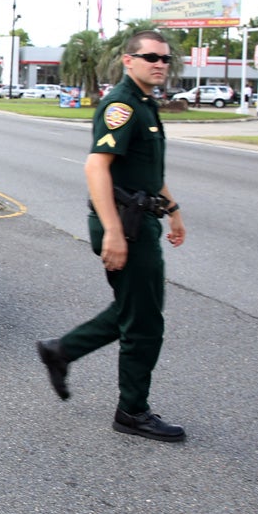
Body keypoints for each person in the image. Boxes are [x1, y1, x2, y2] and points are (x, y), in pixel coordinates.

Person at [35, 30, 188, 442]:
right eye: (151, 57)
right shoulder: (121, 105)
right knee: (145, 322)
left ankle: (61, 350)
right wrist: (116, 235)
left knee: (133, 309)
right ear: (128, 60)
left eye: (165, 59)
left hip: (141, 218)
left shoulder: (144, 103)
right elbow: (96, 168)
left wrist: (172, 210)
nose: (159, 64)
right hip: (125, 223)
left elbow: (148, 173)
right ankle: (132, 411)